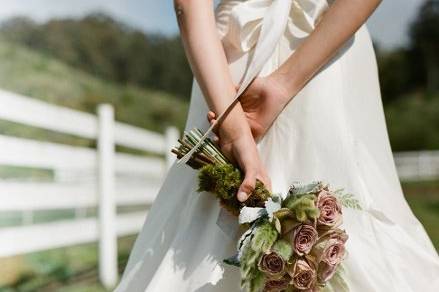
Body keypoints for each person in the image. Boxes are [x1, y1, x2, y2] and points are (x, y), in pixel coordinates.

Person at [115, 0, 439, 291]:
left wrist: (232, 128)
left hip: (228, 64)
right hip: (325, 52)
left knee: (202, 242)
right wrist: (283, 85)